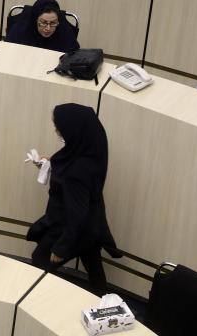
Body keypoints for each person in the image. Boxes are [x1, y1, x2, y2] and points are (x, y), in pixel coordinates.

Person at [27, 104, 122, 296]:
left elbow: (76, 213)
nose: (56, 132)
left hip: (73, 227)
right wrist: (51, 163)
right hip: (93, 225)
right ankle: (104, 304)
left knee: (40, 261)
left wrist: (62, 247)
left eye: (58, 128)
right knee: (95, 272)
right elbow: (69, 159)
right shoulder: (92, 147)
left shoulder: (76, 173)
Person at [5, 0, 80, 53]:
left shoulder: (65, 34)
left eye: (53, 23)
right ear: (35, 20)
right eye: (43, 23)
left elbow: (74, 58)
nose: (48, 28)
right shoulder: (19, 31)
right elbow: (7, 53)